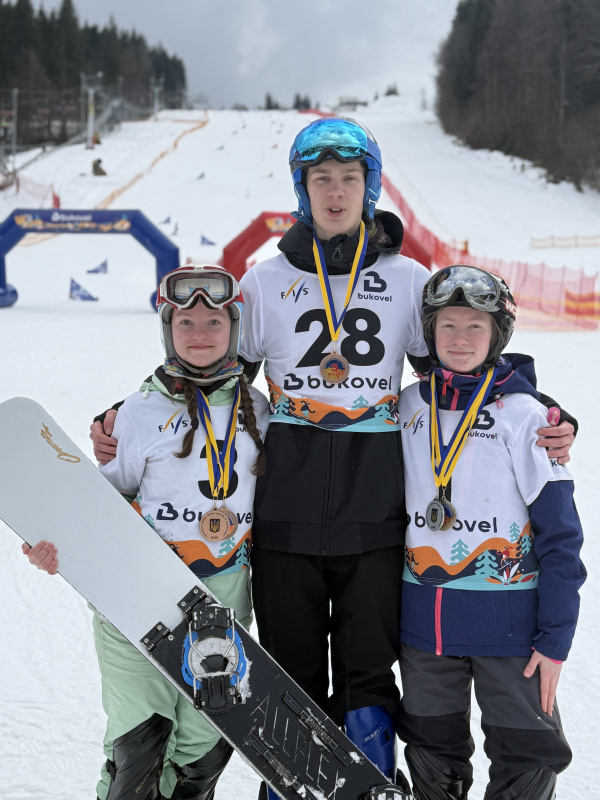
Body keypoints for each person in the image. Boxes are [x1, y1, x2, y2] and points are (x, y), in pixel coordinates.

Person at [90, 118, 576, 793]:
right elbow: (209, 367)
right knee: (285, 672)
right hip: (286, 499)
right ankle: (286, 783)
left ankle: (368, 779)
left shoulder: (408, 278)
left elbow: (463, 367)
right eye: (322, 179)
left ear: (370, 186)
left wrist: (543, 407)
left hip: (375, 505)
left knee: (367, 666)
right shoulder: (264, 281)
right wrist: (126, 413)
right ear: (303, 188)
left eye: (350, 179)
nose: (337, 192)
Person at [24, 264, 269, 800]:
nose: (200, 334)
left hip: (223, 593)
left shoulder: (260, 411)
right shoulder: (137, 412)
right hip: (138, 589)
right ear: (167, 330)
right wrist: (54, 542)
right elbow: (103, 505)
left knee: (205, 746)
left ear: (235, 329)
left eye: (213, 322)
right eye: (186, 322)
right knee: (140, 742)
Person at [396, 265, 586, 800]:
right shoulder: (408, 407)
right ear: (429, 335)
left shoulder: (528, 418)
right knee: (432, 755)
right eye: (447, 327)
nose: (460, 340)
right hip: (424, 630)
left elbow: (561, 540)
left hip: (511, 634)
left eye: (475, 327)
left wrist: (554, 641)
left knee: (526, 753)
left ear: (497, 335)